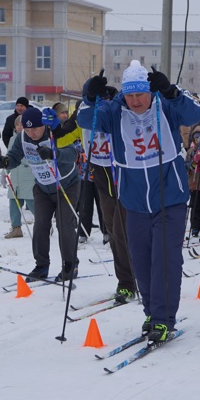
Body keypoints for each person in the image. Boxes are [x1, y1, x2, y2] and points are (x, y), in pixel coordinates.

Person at [78, 61, 200, 342]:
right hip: (133, 201)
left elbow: (195, 113)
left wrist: (171, 91)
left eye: (141, 95)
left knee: (165, 259)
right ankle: (152, 312)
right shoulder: (114, 110)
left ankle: (163, 318)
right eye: (131, 95)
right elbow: (86, 120)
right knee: (143, 260)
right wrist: (89, 96)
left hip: (169, 197)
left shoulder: (164, 103)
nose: (136, 101)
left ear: (150, 91)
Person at [0, 106, 81, 283]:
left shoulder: (55, 133)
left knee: (64, 224)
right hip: (42, 187)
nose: (31, 133)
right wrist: (5, 162)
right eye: (27, 129)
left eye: (35, 128)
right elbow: (14, 156)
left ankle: (70, 264)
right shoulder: (22, 137)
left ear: (43, 125)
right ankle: (41, 265)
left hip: (66, 185)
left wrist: (53, 153)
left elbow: (73, 153)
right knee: (41, 225)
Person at [81, 98, 139, 304]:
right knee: (113, 233)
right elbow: (66, 131)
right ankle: (127, 278)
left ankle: (128, 283)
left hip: (122, 176)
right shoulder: (85, 110)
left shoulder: (118, 112)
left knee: (121, 231)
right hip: (101, 176)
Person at [3, 114, 35, 239]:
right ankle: (16, 228)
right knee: (14, 202)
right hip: (15, 176)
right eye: (17, 124)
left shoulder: (31, 139)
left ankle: (45, 225)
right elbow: (8, 156)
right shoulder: (12, 139)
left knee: (32, 203)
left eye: (22, 124)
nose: (20, 126)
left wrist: (20, 161)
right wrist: (4, 171)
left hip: (28, 176)